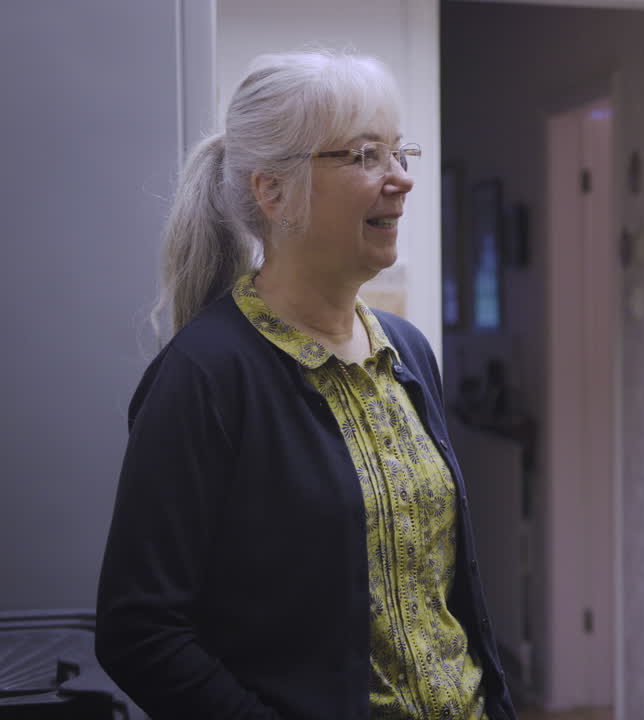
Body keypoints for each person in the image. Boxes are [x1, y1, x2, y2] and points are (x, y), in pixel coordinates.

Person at [96, 51, 515, 720]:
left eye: (400, 152)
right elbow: (139, 633)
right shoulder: (205, 376)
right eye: (366, 155)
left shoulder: (406, 352)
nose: (402, 178)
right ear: (274, 192)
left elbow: (442, 597)